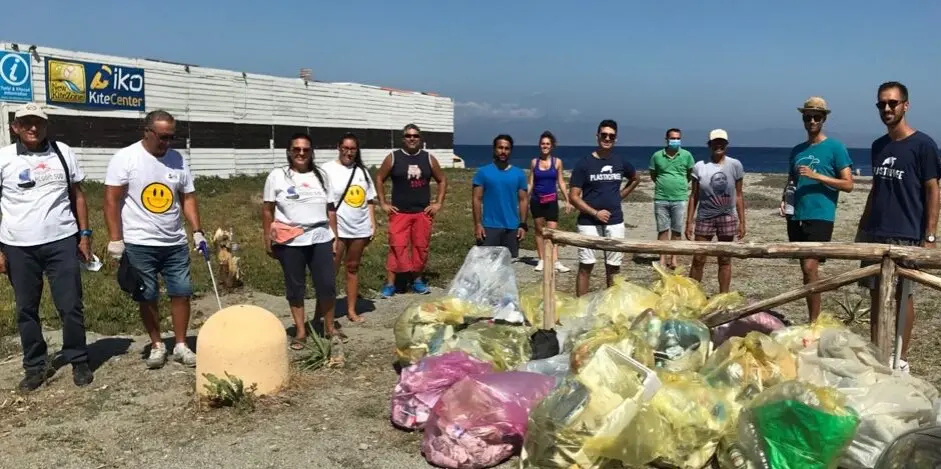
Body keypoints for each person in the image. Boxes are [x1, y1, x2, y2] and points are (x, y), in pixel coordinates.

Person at [0, 103, 94, 390]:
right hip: (18, 246)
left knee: (70, 305)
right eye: (26, 123)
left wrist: (85, 234)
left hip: (61, 241)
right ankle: (35, 366)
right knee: (26, 309)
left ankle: (78, 359)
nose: (32, 128)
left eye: (38, 123)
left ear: (45, 126)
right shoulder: (4, 158)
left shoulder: (63, 152)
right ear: (15, 127)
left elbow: (77, 195)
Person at [104, 110, 207, 369]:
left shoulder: (177, 160)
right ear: (147, 132)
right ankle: (157, 344)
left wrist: (197, 230)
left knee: (181, 292)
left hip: (174, 242)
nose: (167, 142)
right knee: (147, 295)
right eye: (162, 137)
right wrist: (116, 239)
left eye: (172, 137)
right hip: (139, 242)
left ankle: (182, 344)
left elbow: (188, 197)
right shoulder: (126, 158)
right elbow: (111, 200)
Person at [857, 81, 940, 373]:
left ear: (905, 105)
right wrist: (862, 228)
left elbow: (933, 190)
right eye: (882, 104)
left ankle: (900, 358)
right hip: (876, 232)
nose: (887, 109)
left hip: (907, 233)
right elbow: (876, 190)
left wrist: (929, 235)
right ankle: (876, 354)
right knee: (876, 294)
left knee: (904, 296)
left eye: (893, 103)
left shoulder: (924, 145)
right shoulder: (878, 145)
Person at [261, 133, 342, 349]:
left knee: (327, 285)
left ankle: (329, 328)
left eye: (306, 149)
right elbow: (268, 210)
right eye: (296, 149)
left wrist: (335, 237)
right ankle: (301, 331)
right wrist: (267, 237)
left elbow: (331, 210)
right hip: (290, 240)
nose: (301, 153)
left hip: (320, 237)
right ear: (289, 152)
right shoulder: (278, 176)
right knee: (295, 287)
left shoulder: (322, 176)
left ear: (311, 152)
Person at [782, 97, 854, 322]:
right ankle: (812, 317)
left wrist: (817, 176)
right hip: (797, 215)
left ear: (824, 119)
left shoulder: (835, 147)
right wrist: (784, 199)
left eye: (816, 117)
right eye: (807, 116)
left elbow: (848, 184)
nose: (812, 120)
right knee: (805, 269)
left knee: (810, 267)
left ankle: (814, 322)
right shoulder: (797, 150)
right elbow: (791, 180)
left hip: (820, 214)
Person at [375, 124, 448, 298]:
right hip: (399, 213)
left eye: (415, 136)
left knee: (420, 247)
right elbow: (379, 178)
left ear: (420, 138)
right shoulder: (393, 157)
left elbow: (442, 180)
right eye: (408, 136)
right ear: (403, 138)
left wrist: (438, 203)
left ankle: (417, 281)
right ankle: (391, 284)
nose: (412, 139)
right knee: (396, 247)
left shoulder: (428, 158)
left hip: (422, 213)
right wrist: (383, 203)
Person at [569, 119, 640, 297]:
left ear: (615, 139)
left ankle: (611, 308)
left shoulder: (620, 161)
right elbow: (573, 196)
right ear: (597, 136)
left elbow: (635, 179)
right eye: (604, 135)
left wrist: (619, 196)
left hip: (615, 220)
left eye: (611, 136)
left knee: (613, 267)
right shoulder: (584, 163)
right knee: (586, 265)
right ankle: (581, 307)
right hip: (588, 222)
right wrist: (595, 213)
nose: (607, 138)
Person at [323, 133, 376, 324]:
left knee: (353, 267)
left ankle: (351, 310)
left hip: (360, 227)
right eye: (345, 148)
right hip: (337, 228)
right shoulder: (327, 169)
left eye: (352, 149)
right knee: (331, 270)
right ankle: (324, 311)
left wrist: (372, 223)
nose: (349, 152)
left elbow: (369, 200)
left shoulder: (362, 171)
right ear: (338, 147)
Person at [686, 129, 745, 293]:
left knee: (725, 259)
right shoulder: (700, 167)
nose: (718, 145)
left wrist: (742, 222)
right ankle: (693, 295)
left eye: (722, 142)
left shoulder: (735, 165)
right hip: (705, 217)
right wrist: (689, 221)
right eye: (715, 142)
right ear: (709, 144)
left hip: (727, 217)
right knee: (698, 258)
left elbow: (739, 195)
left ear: (726, 144)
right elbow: (694, 195)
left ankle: (723, 296)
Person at [472, 134, 529, 258]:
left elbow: (523, 200)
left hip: (512, 228)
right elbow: (477, 199)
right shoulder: (483, 172)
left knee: (507, 267)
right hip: (489, 227)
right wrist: (478, 224)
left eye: (507, 148)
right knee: (485, 266)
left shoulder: (519, 174)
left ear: (510, 151)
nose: (503, 151)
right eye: (500, 147)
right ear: (494, 149)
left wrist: (523, 224)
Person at [649, 128, 695, 270]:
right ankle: (662, 258)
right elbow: (653, 174)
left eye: (677, 138)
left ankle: (674, 258)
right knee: (662, 229)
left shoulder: (687, 155)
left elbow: (689, 173)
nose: (675, 141)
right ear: (666, 139)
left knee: (676, 229)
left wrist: (679, 184)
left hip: (679, 198)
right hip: (661, 198)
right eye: (672, 138)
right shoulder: (657, 156)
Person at [527, 131, 572, 273]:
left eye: (547, 144)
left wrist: (567, 199)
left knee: (552, 232)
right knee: (539, 231)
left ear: (551, 146)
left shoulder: (557, 162)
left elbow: (561, 181)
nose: (544, 146)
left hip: (551, 200)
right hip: (537, 201)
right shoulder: (534, 162)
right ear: (539, 145)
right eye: (542, 143)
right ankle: (541, 260)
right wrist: (522, 200)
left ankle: (555, 261)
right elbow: (530, 183)